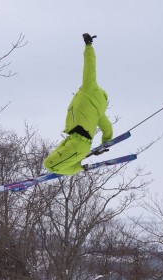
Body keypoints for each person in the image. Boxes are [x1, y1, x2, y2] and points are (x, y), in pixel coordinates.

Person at [43, 33, 113, 176]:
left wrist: (88, 46)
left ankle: (78, 168)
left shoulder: (90, 89)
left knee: (48, 164)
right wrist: (105, 143)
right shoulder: (98, 111)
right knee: (52, 163)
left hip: (78, 143)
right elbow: (107, 128)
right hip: (74, 140)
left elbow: (90, 68)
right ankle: (73, 166)